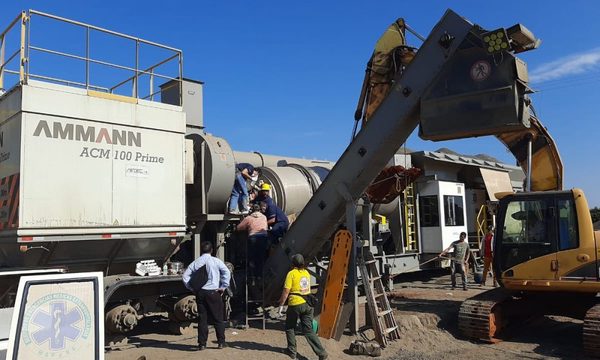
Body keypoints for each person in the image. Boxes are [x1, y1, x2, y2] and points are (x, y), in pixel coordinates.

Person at [277, 254, 328, 360]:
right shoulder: (306, 273)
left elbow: (286, 291)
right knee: (308, 330)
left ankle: (292, 351)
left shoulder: (291, 274)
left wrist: (281, 304)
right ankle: (322, 353)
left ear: (292, 263)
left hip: (295, 304)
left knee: (290, 327)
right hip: (307, 304)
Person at [182, 241, 231, 350]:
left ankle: (202, 344)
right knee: (218, 318)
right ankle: (221, 342)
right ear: (212, 250)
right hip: (214, 292)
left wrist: (192, 288)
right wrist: (223, 286)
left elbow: (185, 276)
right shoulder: (216, 261)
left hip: (201, 293)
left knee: (202, 319)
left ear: (201, 250)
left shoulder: (196, 262)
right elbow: (226, 272)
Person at [236, 203, 269, 280]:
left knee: (252, 257)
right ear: (259, 210)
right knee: (261, 257)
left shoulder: (249, 218)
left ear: (252, 210)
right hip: (263, 237)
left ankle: (252, 275)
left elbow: (238, 228)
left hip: (253, 237)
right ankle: (260, 275)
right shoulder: (264, 217)